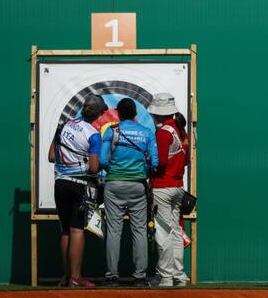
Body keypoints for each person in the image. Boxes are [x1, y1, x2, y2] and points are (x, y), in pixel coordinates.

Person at [48, 93, 107, 288]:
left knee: (65, 231)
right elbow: (93, 168)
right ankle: (76, 277)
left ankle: (66, 277)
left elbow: (51, 156)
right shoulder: (93, 134)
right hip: (79, 185)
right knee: (77, 229)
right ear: (99, 114)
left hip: (60, 183)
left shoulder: (63, 125)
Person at [99, 98, 159, 287]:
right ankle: (140, 276)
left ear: (118, 113)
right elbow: (154, 163)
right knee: (139, 230)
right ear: (135, 113)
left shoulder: (112, 130)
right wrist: (140, 171)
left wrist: (114, 171)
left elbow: (102, 160)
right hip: (138, 185)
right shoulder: (147, 132)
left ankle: (111, 276)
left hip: (114, 185)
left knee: (113, 231)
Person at [147, 93, 190, 288]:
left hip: (162, 187)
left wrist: (148, 165)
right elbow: (186, 161)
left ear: (158, 113)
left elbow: (161, 162)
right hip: (178, 186)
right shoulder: (181, 131)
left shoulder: (163, 132)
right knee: (176, 230)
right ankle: (178, 275)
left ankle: (165, 277)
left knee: (163, 232)